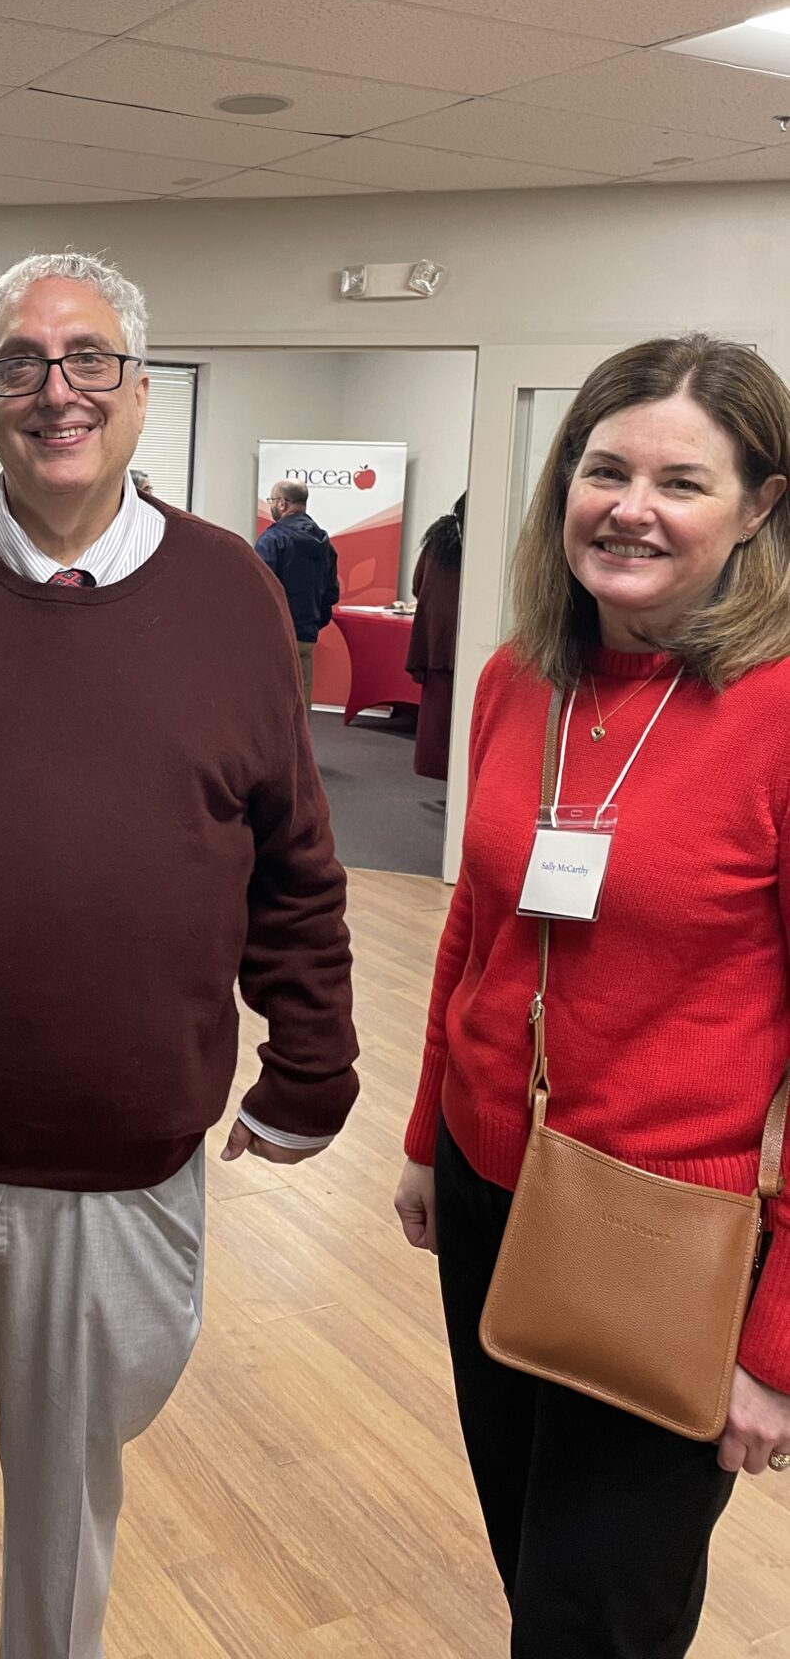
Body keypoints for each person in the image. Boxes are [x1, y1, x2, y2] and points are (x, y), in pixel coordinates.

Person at [0, 250, 358, 1659]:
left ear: (142, 393)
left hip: (118, 1175)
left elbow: (293, 861)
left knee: (66, 1523)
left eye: (90, 358)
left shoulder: (232, 598)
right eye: (23, 364)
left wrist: (311, 1070)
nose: (58, 391)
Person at [394, 333, 790, 1658]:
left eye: (682, 481)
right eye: (604, 468)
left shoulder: (781, 714)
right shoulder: (523, 680)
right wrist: (423, 1142)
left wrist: (777, 1343)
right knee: (530, 1562)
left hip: (671, 1234)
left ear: (761, 508)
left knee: (595, 1617)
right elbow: (478, 921)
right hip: (492, 1181)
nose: (631, 506)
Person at [254, 479, 339, 707]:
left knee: (269, 701)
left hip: (274, 635)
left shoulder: (271, 540)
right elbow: (331, 593)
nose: (271, 504)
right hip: (306, 634)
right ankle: (299, 744)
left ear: (282, 503)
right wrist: (312, 624)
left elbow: (258, 591)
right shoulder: (324, 542)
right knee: (301, 701)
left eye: (272, 500)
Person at [406, 491, 465, 779]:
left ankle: (432, 765)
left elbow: (417, 585)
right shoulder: (486, 544)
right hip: (463, 632)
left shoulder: (436, 541)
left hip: (434, 633)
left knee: (435, 705)